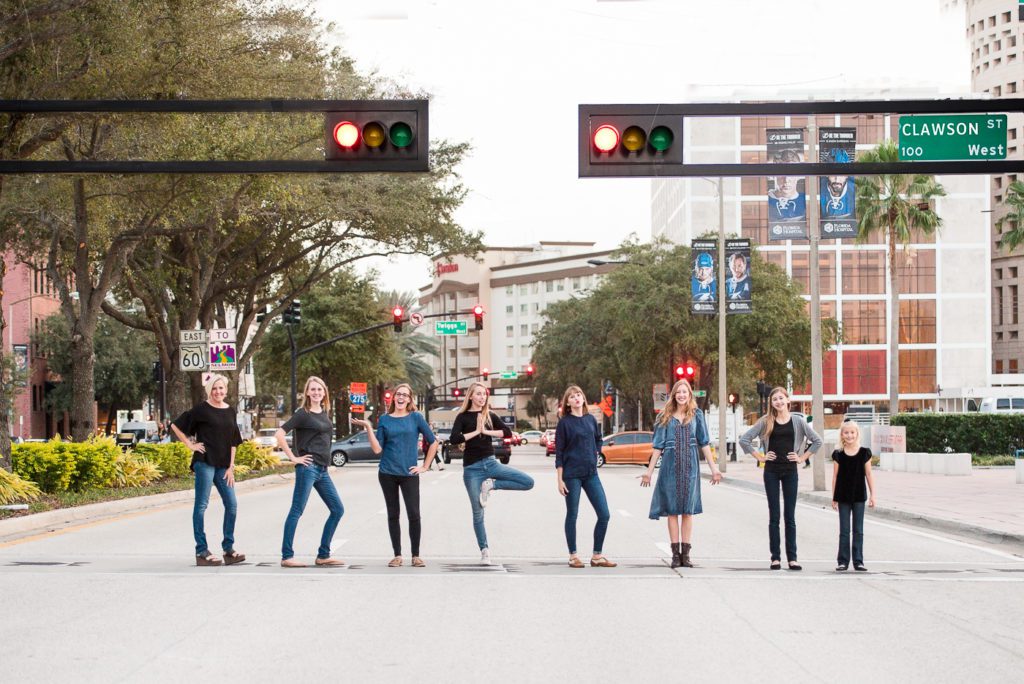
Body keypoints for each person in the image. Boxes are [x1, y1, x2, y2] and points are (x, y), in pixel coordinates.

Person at [448, 382, 535, 565]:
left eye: (484, 394)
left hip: (491, 463)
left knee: (528, 482)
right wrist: (476, 432)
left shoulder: (490, 415)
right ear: (471, 396)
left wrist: (485, 430)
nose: (482, 397)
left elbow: (507, 432)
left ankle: (492, 485)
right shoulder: (462, 417)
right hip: (472, 469)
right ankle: (485, 551)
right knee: (478, 513)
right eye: (478, 394)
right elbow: (454, 439)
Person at [353, 383, 438, 568]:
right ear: (394, 397)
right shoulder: (384, 419)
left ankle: (416, 555)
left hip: (409, 474)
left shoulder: (416, 417)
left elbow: (433, 442)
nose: (401, 397)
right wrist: (368, 427)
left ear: (410, 399)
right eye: (398, 394)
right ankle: (397, 555)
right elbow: (377, 449)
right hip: (387, 473)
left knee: (414, 514)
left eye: (405, 395)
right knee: (393, 514)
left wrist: (425, 466)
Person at [738, 386, 822, 570]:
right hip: (771, 472)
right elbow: (744, 439)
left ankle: (792, 558)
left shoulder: (798, 421)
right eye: (775, 399)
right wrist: (760, 457)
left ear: (787, 400)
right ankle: (775, 557)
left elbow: (817, 441)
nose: (778, 402)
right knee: (774, 515)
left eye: (781, 398)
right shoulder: (766, 421)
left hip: (791, 471)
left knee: (789, 516)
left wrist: (802, 457)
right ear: (772, 403)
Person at [641, 379, 722, 568]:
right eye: (679, 392)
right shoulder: (664, 417)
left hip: (690, 468)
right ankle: (675, 555)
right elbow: (657, 447)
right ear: (674, 395)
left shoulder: (696, 415)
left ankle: (686, 554)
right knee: (672, 511)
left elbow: (704, 443)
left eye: (685, 392)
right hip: (670, 468)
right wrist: (649, 472)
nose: (682, 395)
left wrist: (714, 468)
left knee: (687, 511)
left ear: (689, 394)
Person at [170, 374, 245, 567]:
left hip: (223, 466)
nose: (218, 392)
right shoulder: (201, 410)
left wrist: (231, 467)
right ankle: (201, 551)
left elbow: (233, 441)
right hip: (205, 462)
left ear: (226, 390)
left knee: (232, 504)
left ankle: (229, 549)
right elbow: (176, 425)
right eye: (214, 388)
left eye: (221, 388)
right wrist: (190, 445)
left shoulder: (230, 411)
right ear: (209, 390)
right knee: (202, 506)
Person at [277, 376, 346, 568]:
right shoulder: (302, 413)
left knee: (337, 509)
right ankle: (287, 556)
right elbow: (280, 434)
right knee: (297, 510)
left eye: (320, 390)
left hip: (322, 470)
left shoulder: (324, 413)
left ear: (324, 393)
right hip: (308, 468)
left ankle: (323, 555)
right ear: (307, 392)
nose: (316, 392)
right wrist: (294, 457)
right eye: (313, 389)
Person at [555, 385, 616, 568]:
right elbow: (559, 452)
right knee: (572, 514)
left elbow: (598, 438)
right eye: (572, 396)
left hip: (591, 474)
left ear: (583, 398)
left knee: (604, 514)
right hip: (571, 475)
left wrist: (597, 452)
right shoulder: (564, 423)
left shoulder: (590, 420)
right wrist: (560, 479)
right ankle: (573, 555)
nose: (576, 398)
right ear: (567, 402)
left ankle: (597, 556)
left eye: (579, 394)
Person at [831, 421, 876, 572]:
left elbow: (869, 474)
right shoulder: (838, 454)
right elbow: (835, 476)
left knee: (858, 530)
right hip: (843, 496)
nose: (849, 435)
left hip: (859, 496)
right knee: (844, 530)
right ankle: (842, 561)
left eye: (852, 432)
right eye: (846, 433)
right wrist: (834, 497)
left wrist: (873, 495)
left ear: (857, 434)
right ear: (842, 435)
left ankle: (858, 561)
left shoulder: (864, 453)